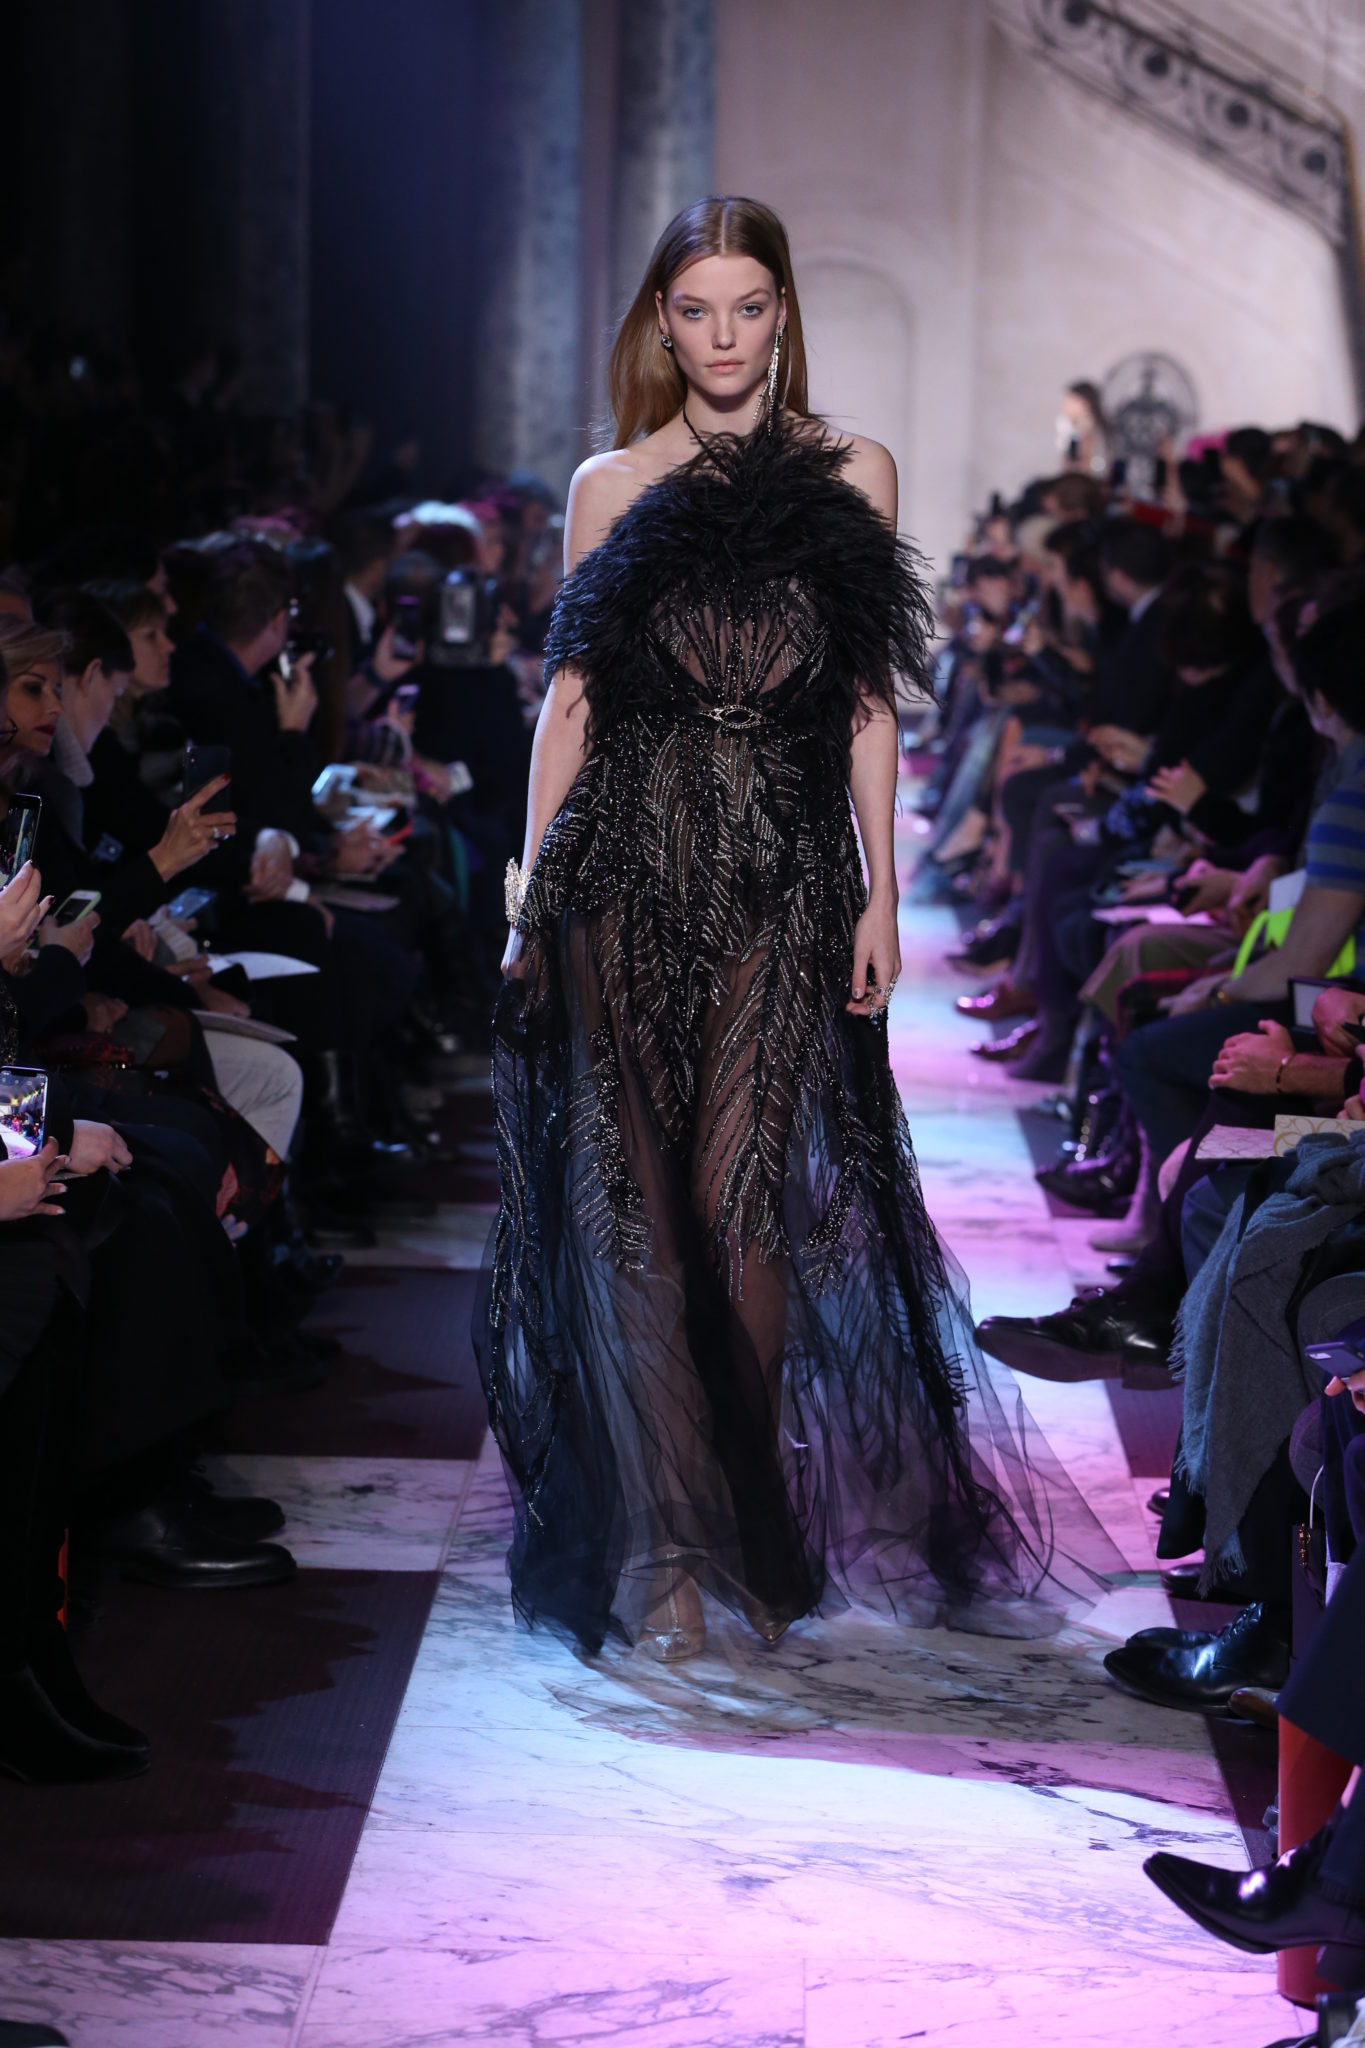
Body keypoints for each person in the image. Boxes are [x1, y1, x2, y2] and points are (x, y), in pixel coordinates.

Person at [475, 195, 1107, 1664]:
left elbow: (869, 699)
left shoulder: (853, 471)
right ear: (661, 320)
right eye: (695, 310)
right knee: (629, 1214)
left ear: (782, 314)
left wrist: (879, 886)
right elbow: (569, 702)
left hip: (783, 873)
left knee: (744, 1208)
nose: (721, 337)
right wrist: (526, 898)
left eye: (746, 307)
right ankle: (666, 1548)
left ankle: (746, 1519)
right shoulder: (609, 483)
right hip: (622, 864)